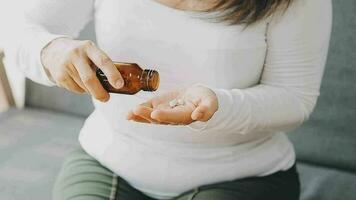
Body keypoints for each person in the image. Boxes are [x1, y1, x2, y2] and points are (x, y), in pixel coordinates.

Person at [3, 0, 332, 199]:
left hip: (243, 176)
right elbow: (16, 26)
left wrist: (218, 106)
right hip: (110, 160)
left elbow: (295, 99)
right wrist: (47, 50)